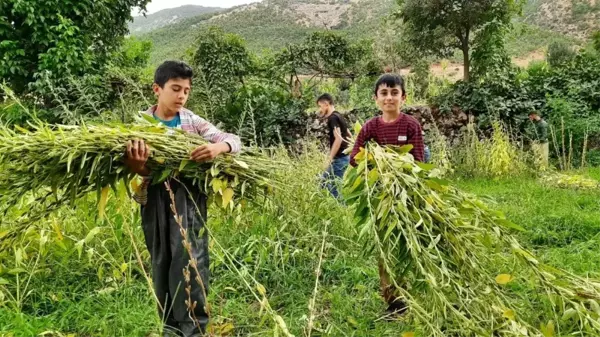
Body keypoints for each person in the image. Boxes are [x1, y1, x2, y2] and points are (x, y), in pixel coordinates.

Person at [123, 60, 242, 337]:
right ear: (157, 89)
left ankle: (194, 328)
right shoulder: (140, 125)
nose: (181, 96)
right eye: (175, 89)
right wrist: (137, 166)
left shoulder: (191, 121)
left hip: (189, 198)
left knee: (190, 260)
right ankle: (170, 328)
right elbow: (140, 173)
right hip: (154, 201)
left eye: (186, 91)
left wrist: (217, 148)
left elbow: (233, 140)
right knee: (162, 260)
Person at [349, 73, 424, 318]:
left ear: (404, 97)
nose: (389, 98)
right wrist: (375, 162)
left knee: (408, 242)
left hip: (406, 194)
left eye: (394, 93)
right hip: (381, 197)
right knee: (384, 245)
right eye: (384, 93)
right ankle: (393, 301)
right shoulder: (371, 127)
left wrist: (397, 164)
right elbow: (353, 158)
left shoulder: (411, 125)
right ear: (376, 99)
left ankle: (416, 291)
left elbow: (419, 161)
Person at [317, 93, 351, 199]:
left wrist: (329, 158)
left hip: (340, 159)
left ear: (326, 104)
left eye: (320, 106)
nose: (320, 109)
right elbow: (348, 133)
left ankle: (342, 209)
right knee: (324, 181)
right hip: (344, 157)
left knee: (333, 187)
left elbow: (339, 139)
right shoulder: (338, 115)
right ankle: (333, 206)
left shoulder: (332, 118)